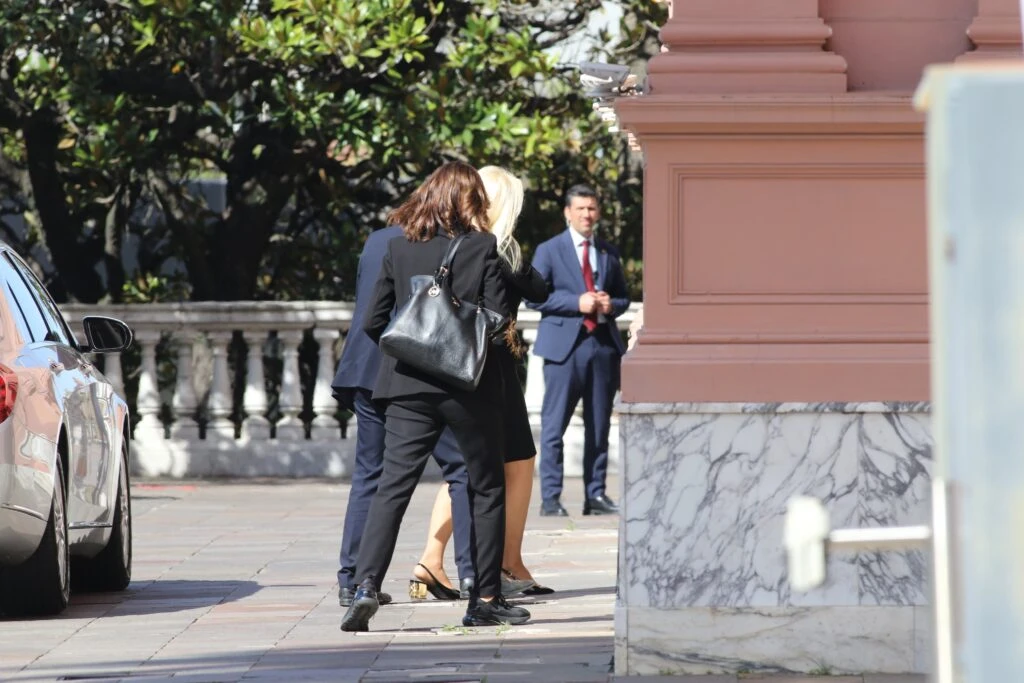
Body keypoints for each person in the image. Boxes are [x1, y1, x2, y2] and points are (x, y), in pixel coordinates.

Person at [340, 161, 530, 632]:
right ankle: (483, 598)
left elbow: (371, 319)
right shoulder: (484, 247)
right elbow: (497, 318)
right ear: (472, 201)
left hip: (405, 385)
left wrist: (410, 347)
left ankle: (365, 586)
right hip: (468, 387)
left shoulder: (399, 247)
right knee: (484, 487)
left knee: (392, 487)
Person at [410, 165, 553, 598]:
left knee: (468, 469)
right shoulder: (497, 249)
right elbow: (540, 289)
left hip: (459, 368)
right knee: (510, 464)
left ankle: (432, 560)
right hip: (493, 372)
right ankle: (505, 563)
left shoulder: (454, 244)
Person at [331, 225, 475, 608]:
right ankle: (475, 574)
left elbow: (369, 306)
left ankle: (353, 580)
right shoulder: (442, 243)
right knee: (462, 467)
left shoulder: (379, 238)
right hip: (407, 372)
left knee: (369, 474)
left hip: (364, 366)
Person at [527, 184, 630, 517]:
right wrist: (577, 302)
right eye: (582, 208)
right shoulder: (549, 250)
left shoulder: (608, 252)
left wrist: (607, 303)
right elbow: (534, 297)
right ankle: (551, 498)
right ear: (567, 212)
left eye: (592, 208)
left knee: (598, 427)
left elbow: (624, 297)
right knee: (554, 426)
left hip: (602, 347)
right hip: (563, 349)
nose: (588, 214)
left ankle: (595, 495)